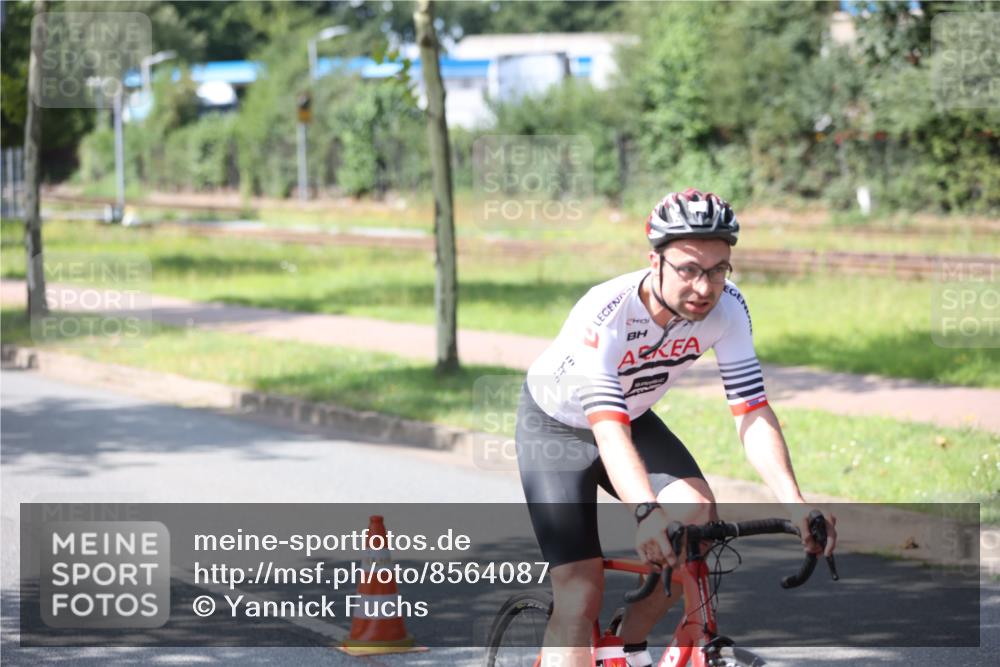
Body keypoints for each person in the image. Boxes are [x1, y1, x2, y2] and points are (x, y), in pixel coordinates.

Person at [514, 188, 837, 667]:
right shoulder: (606, 315)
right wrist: (646, 511)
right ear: (655, 262)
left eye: (718, 269)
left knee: (695, 518)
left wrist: (796, 502)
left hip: (631, 417)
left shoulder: (729, 309)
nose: (704, 288)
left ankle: (626, 644)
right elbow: (609, 433)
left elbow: (752, 411)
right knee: (580, 592)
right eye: (688, 269)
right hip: (557, 429)